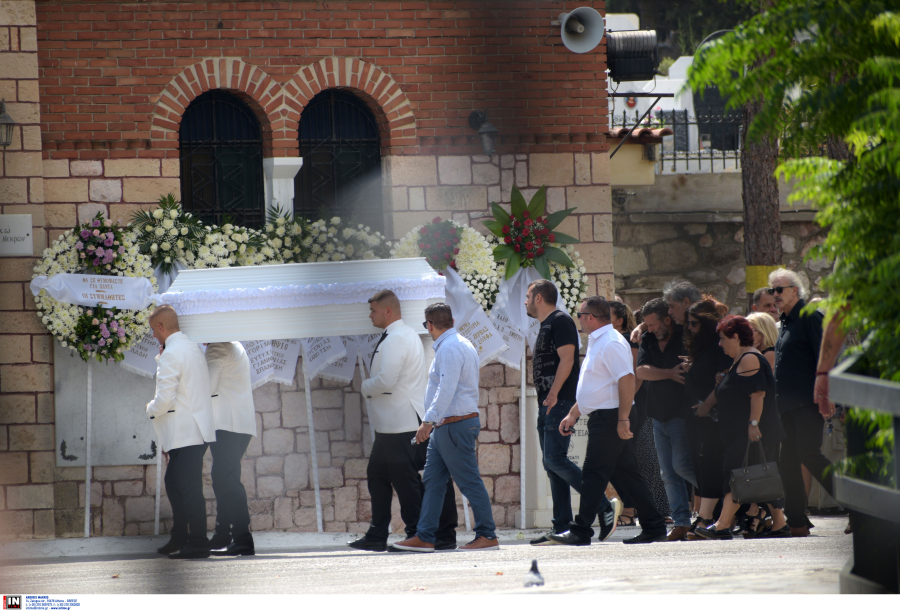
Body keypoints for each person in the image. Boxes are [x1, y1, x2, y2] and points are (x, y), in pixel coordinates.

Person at [547, 296, 667, 546]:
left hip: (613, 416)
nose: (578, 319)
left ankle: (581, 530)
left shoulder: (610, 342)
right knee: (626, 475)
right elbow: (597, 386)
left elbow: (626, 379)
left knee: (593, 472)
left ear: (590, 317)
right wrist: (574, 413)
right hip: (607, 415)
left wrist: (623, 418)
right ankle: (654, 525)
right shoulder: (599, 341)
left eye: (580, 315)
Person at [350, 290, 457, 552]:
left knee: (406, 480)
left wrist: (364, 386)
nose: (370, 315)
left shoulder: (397, 337)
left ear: (388, 311)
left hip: (400, 422)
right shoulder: (398, 335)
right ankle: (378, 534)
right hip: (392, 423)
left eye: (373, 310)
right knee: (378, 474)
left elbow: (386, 381)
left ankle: (420, 533)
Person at [391, 303, 498, 552]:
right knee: (433, 481)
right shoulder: (459, 343)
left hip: (453, 425)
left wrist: (428, 422)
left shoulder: (450, 348)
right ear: (450, 320)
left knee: (469, 481)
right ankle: (426, 535)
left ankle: (487, 534)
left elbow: (446, 388)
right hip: (447, 426)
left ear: (429, 325)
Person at [693, 316, 788, 539]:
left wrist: (753, 425)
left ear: (735, 337)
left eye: (723, 339)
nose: (720, 343)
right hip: (741, 432)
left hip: (752, 432)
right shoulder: (741, 358)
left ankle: (722, 525)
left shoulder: (749, 359)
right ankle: (780, 523)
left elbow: (758, 395)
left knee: (736, 476)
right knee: (759, 476)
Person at [525, 279, 602, 545]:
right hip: (548, 402)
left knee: (556, 460)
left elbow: (568, 359)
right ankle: (561, 526)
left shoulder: (561, 320)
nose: (524, 301)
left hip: (559, 401)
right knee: (551, 465)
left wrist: (555, 393)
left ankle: (602, 505)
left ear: (538, 298)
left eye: (527, 296)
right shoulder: (545, 324)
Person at [145, 305, 217, 559]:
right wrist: (161, 356)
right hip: (196, 429)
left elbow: (164, 399)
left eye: (154, 330)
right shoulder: (191, 347)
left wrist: (150, 410)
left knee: (187, 488)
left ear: (161, 327)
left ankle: (197, 542)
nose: (153, 335)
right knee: (176, 483)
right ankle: (181, 536)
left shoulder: (173, 353)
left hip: (185, 431)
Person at [768, 268, 833, 537]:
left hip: (808, 402)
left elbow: (825, 355)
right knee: (788, 461)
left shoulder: (810, 318)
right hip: (787, 405)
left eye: (779, 290)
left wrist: (827, 395)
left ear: (795, 291)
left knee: (810, 454)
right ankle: (796, 521)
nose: (774, 295)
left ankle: (858, 505)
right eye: (772, 290)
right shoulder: (785, 322)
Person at [636, 298, 698, 541]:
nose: (650, 329)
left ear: (667, 319)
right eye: (646, 325)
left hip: (681, 413)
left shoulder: (684, 336)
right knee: (668, 472)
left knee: (682, 466)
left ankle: (723, 499)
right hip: (657, 414)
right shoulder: (648, 339)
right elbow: (641, 371)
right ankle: (682, 522)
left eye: (652, 324)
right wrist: (670, 374)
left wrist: (660, 374)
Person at [609, 301, 670, 526]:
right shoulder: (617, 339)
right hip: (628, 405)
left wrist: (626, 404)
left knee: (640, 460)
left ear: (620, 320)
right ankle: (645, 509)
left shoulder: (628, 340)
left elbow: (635, 374)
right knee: (630, 460)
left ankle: (641, 510)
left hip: (636, 406)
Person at [682, 298, 733, 538]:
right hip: (701, 417)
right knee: (704, 466)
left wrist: (707, 405)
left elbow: (724, 379)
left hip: (716, 416)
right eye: (688, 324)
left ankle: (711, 519)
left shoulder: (718, 346)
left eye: (694, 324)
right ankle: (708, 517)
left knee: (712, 466)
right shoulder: (702, 348)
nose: (690, 329)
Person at [205, 341, 257, 556]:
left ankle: (242, 538)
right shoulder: (234, 343)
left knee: (227, 481)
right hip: (239, 424)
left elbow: (206, 387)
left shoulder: (217, 346)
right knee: (223, 479)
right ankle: (222, 535)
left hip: (227, 424)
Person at [628, 280, 702, 344]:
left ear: (686, 302)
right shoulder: (681, 322)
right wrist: (640, 327)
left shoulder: (708, 325)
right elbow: (655, 320)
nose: (669, 312)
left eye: (672, 306)